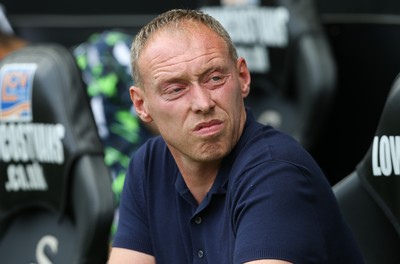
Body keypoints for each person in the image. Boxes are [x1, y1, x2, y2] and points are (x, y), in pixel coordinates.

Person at [109, 9, 364, 263]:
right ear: (141, 105)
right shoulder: (148, 165)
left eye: (215, 78)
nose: (202, 102)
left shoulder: (276, 172)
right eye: (176, 89)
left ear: (242, 77)